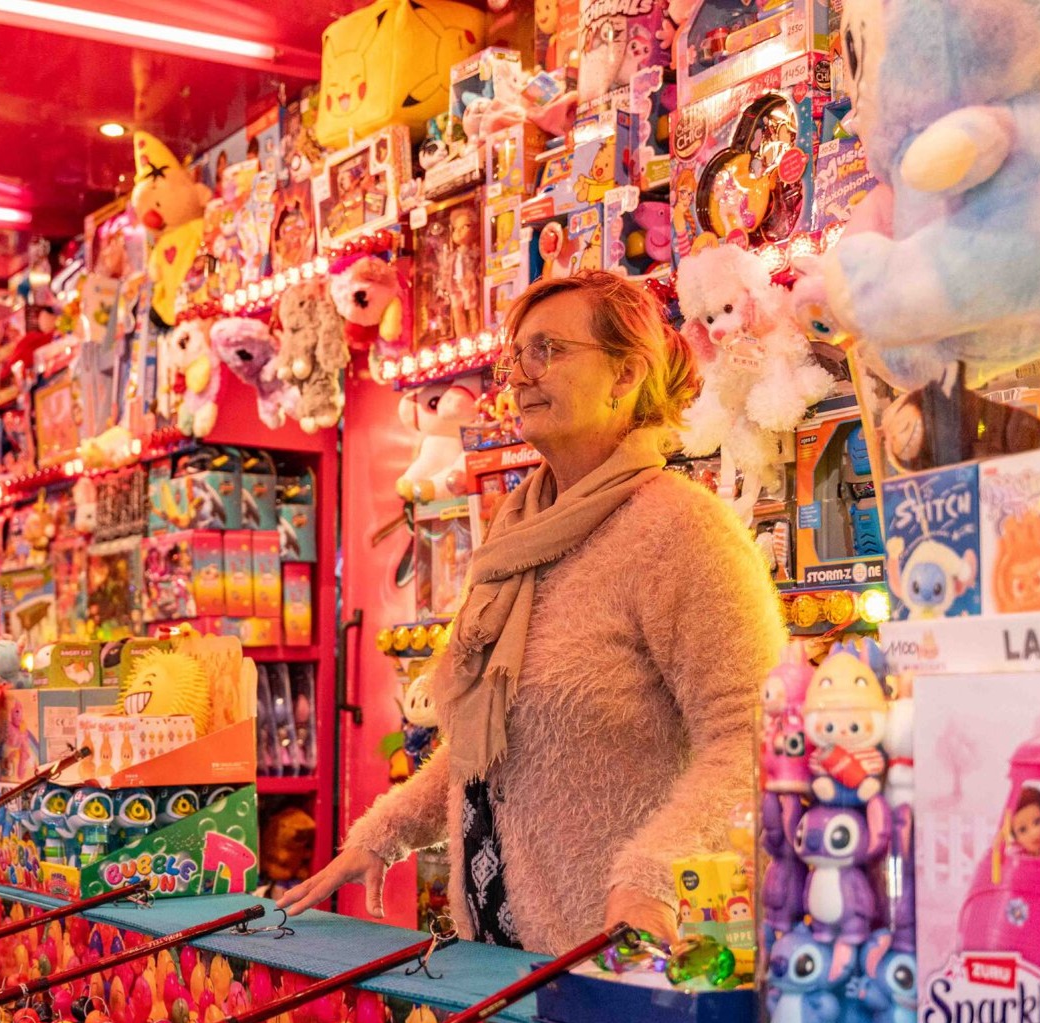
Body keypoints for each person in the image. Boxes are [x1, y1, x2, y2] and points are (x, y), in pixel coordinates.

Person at [278, 270, 785, 950]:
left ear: (625, 373)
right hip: (494, 959)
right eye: (514, 356)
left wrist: (651, 877)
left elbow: (750, 739)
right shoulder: (517, 534)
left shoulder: (682, 533)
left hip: (618, 964)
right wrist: (384, 834)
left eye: (547, 350)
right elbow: (487, 746)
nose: (519, 374)